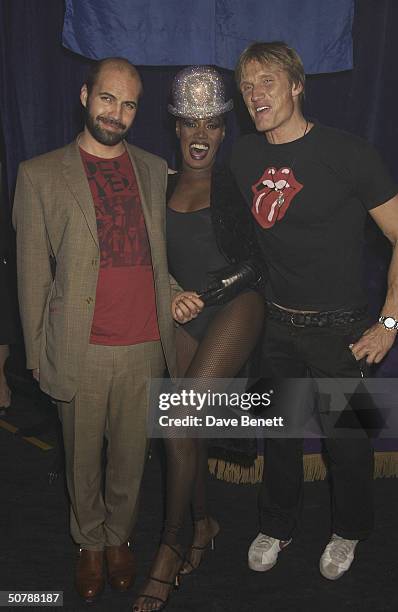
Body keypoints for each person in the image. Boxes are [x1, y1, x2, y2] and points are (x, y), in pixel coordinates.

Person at [12, 57, 180, 603]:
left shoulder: (155, 169)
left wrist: (175, 293)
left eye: (129, 103)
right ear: (86, 95)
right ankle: (88, 543)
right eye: (108, 98)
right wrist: (38, 351)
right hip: (78, 344)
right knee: (81, 456)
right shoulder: (39, 173)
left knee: (132, 458)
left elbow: (156, 256)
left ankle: (118, 539)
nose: (117, 112)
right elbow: (34, 270)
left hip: (146, 344)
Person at [231, 41, 398, 580]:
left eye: (268, 82)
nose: (256, 94)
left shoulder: (350, 154)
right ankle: (277, 524)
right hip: (275, 326)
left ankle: (350, 530)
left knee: (349, 444)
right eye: (247, 86)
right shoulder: (243, 157)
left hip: (344, 331)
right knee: (275, 435)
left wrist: (390, 321)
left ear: (297, 85)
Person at [133, 66, 265, 612]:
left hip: (236, 305)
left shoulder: (239, 178)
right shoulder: (158, 182)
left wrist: (213, 291)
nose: (200, 135)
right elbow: (144, 258)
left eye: (210, 124)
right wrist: (170, 294)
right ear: (176, 129)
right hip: (181, 313)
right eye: (190, 123)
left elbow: (265, 255)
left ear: (224, 131)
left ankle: (168, 548)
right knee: (189, 432)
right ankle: (204, 522)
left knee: (178, 419)